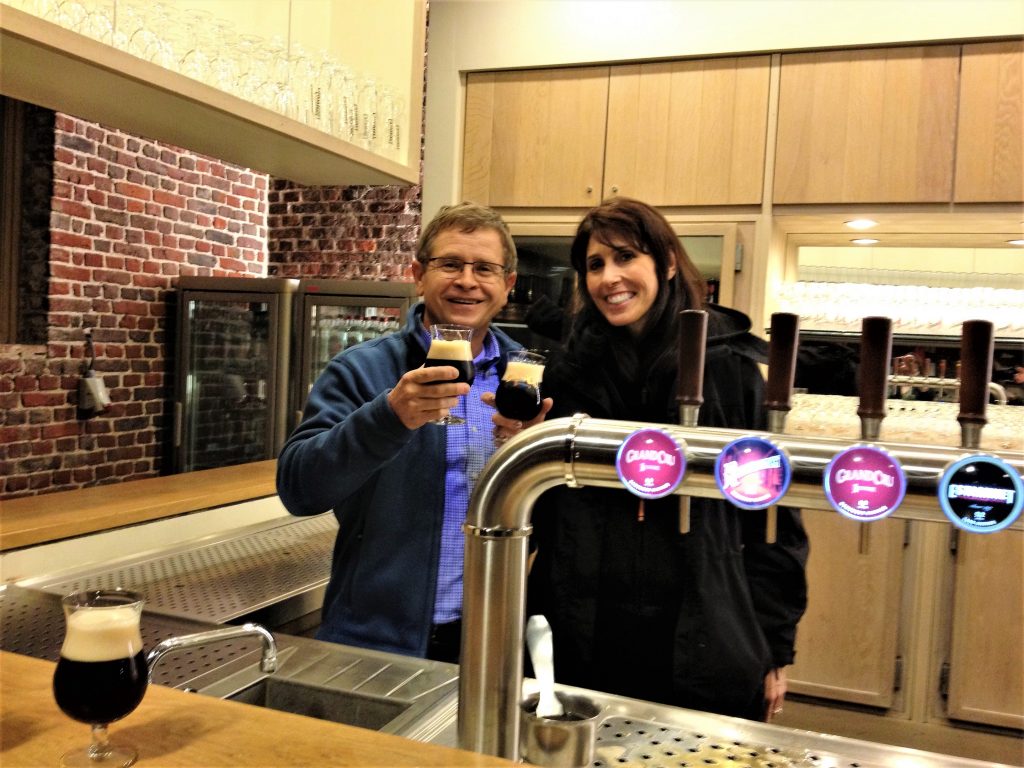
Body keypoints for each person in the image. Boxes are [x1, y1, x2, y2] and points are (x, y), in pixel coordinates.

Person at [524, 197, 809, 722]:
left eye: (626, 256)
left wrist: (775, 643)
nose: (609, 278)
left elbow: (772, 518)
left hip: (699, 627)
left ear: (668, 263)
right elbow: (546, 508)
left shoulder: (729, 369)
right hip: (583, 628)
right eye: (594, 264)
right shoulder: (570, 370)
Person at [277, 202, 546, 664]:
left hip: (491, 643)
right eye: (450, 264)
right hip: (374, 641)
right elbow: (299, 489)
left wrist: (530, 457)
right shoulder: (361, 370)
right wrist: (388, 417)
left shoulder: (527, 378)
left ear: (507, 286)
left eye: (484, 268)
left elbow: (551, 522)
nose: (467, 280)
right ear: (419, 275)